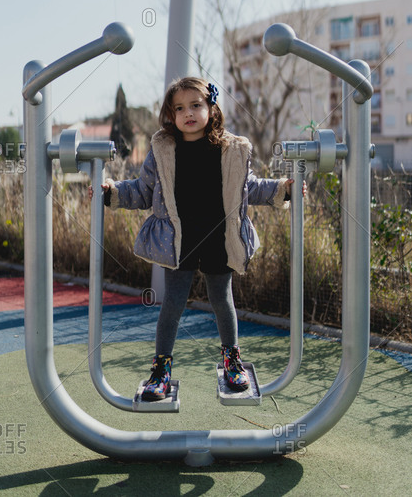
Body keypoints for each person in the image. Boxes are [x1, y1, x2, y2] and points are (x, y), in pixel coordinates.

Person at [89, 77, 306, 402]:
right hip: (178, 240)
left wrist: (283, 189)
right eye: (179, 108)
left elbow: (252, 188)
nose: (188, 113)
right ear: (170, 114)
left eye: (195, 105)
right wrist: (112, 192)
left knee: (222, 300)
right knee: (172, 304)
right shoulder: (163, 149)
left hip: (220, 237)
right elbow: (143, 190)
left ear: (211, 108)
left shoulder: (232, 149)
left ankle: (232, 362)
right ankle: (161, 370)